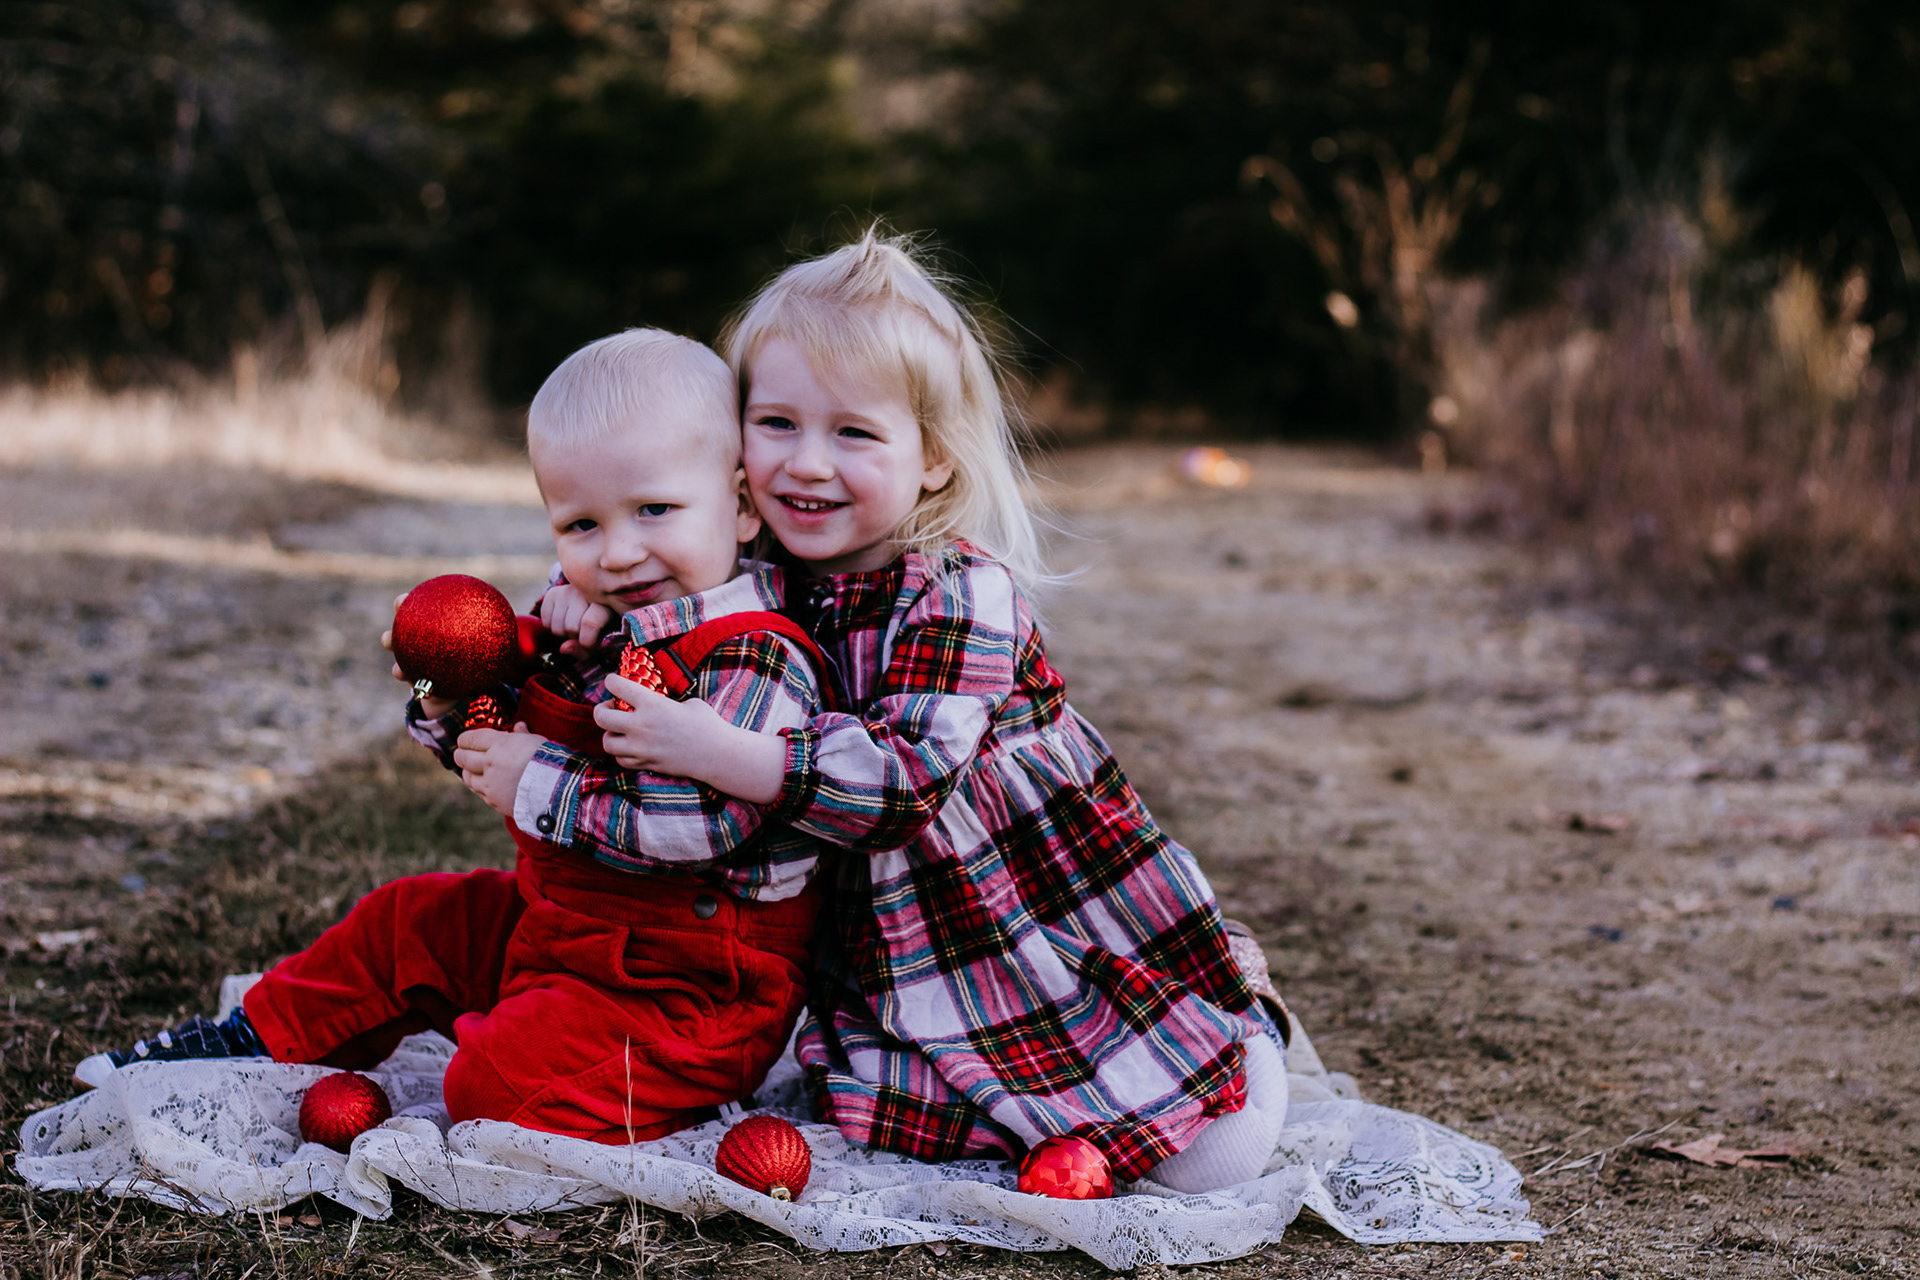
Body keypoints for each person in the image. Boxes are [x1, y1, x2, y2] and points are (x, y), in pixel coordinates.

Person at [595, 234, 1292, 1191]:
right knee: (893, 1115)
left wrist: (720, 751)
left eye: (854, 433)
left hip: (1020, 907)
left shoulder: (959, 591)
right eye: (776, 422)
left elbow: (906, 784)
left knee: (1209, 1162)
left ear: (933, 458)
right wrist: (577, 607)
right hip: (885, 942)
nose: (806, 463)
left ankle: (1242, 1027)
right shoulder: (756, 573)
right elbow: (654, 592)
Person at [75, 329, 833, 1146]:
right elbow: (486, 742)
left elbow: (704, 822)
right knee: (406, 922)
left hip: (690, 992)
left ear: (742, 506)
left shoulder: (755, 655)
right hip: (563, 933)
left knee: (493, 1086)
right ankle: (250, 1040)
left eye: (654, 510)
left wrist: (536, 778)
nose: (618, 553)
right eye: (581, 524)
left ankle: (646, 1091)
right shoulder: (590, 629)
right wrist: (439, 691)